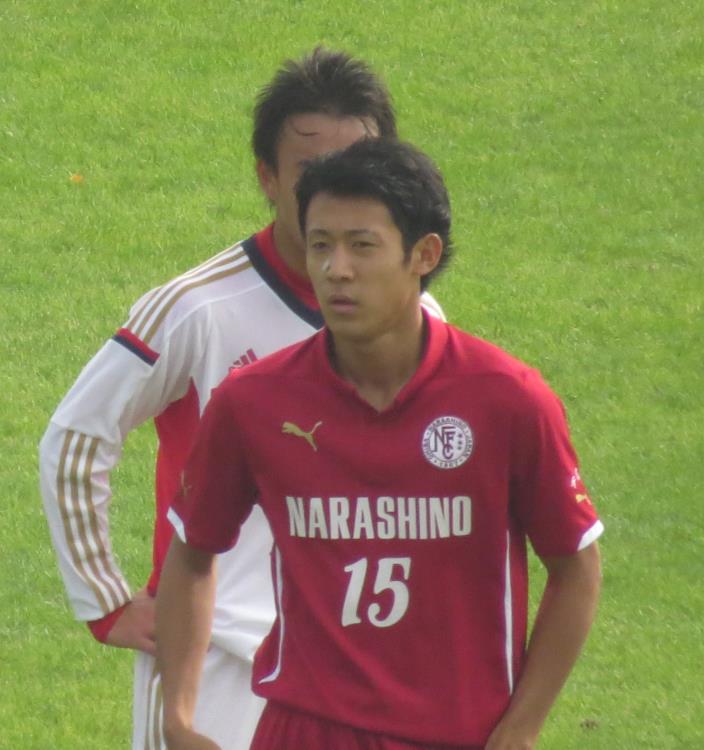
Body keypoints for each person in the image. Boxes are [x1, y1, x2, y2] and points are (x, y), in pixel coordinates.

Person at [39, 49, 445, 749]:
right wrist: (106, 603)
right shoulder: (197, 309)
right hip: (217, 663)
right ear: (267, 177)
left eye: (359, 165)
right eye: (312, 172)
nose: (335, 189)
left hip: (359, 663)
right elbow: (77, 439)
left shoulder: (418, 319)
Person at [157, 137, 603, 750]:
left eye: (362, 246)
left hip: (457, 737)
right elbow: (191, 552)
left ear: (423, 254)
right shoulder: (253, 402)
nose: (336, 269)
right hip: (301, 733)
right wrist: (177, 719)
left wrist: (522, 728)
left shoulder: (507, 400)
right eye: (320, 245)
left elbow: (576, 566)